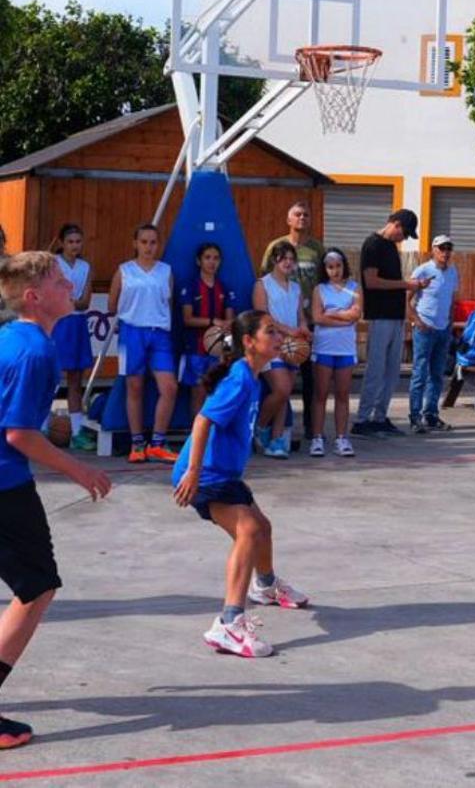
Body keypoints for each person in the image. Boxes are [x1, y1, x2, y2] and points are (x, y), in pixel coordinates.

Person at [0, 252, 111, 748]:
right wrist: (80, 469)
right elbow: (20, 434)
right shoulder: (36, 353)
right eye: (59, 280)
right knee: (37, 587)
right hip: (4, 485)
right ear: (34, 296)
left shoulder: (11, 337)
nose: (71, 285)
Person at [172, 310, 309, 659]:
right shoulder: (238, 379)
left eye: (279, 331)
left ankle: (265, 586)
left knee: (262, 527)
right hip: (206, 475)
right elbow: (202, 421)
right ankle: (229, 623)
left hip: (224, 474)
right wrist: (192, 472)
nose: (278, 338)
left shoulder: (250, 376)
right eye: (270, 332)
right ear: (250, 342)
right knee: (248, 529)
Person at [352, 209, 429, 438]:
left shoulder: (390, 248)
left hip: (395, 315)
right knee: (376, 369)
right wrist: (407, 285)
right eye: (404, 233)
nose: (403, 238)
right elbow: (371, 281)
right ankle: (363, 419)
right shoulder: (373, 245)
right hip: (380, 314)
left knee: (392, 371)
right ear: (395, 224)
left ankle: (379, 416)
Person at [108, 223, 178, 464]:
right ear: (135, 244)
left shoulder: (165, 271)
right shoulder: (124, 271)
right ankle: (137, 443)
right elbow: (112, 305)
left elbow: (167, 305)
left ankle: (157, 443)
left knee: (169, 387)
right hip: (131, 332)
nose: (149, 247)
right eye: (144, 242)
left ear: (158, 245)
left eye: (153, 242)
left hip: (159, 333)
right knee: (134, 387)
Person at [260, 201, 324, 440]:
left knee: (309, 377)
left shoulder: (317, 249)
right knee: (281, 383)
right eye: (297, 214)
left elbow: (323, 282)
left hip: (305, 321)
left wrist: (308, 322)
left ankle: (309, 427)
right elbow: (264, 275)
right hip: (279, 327)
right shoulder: (275, 247)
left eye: (306, 214)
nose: (302, 218)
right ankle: (267, 428)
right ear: (289, 219)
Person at [252, 241, 310, 458]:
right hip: (269, 345)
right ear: (275, 260)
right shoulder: (262, 284)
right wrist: (290, 331)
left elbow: (301, 317)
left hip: (292, 346)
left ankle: (276, 441)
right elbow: (262, 317)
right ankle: (260, 426)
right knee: (283, 388)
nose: (288, 262)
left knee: (284, 394)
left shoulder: (296, 287)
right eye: (283, 258)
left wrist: (303, 329)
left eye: (291, 259)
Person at [309, 248, 362, 457]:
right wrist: (343, 316)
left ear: (344, 266)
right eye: (330, 267)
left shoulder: (354, 288)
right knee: (320, 394)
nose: (335, 271)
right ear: (325, 269)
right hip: (324, 347)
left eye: (338, 266)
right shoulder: (319, 290)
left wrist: (332, 313)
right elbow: (317, 317)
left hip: (346, 348)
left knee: (342, 394)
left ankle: (342, 438)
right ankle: (317, 437)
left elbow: (356, 314)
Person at [408, 235, 460, 433]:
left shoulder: (453, 272)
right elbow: (407, 298)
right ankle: (415, 416)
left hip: (443, 328)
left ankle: (431, 414)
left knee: (437, 374)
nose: (445, 252)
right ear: (433, 250)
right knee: (419, 373)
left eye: (448, 248)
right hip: (425, 328)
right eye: (441, 248)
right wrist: (416, 321)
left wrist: (450, 322)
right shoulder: (423, 270)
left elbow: (452, 299)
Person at [51, 224, 95, 450]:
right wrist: (67, 302)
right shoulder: (52, 264)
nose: (75, 245)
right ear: (61, 243)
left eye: (78, 241)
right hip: (58, 323)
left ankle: (77, 430)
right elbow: (52, 297)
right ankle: (40, 426)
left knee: (75, 379)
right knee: (51, 376)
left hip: (77, 322)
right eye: (70, 242)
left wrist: (67, 302)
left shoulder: (86, 266)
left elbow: (85, 302)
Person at [179, 243, 236, 417]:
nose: (212, 262)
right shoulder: (190, 286)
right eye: (207, 258)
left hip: (217, 351)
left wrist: (227, 352)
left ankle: (212, 436)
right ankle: (196, 437)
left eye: (216, 258)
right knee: (198, 393)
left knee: (217, 393)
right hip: (196, 349)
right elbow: (187, 319)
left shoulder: (224, 288)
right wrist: (212, 322)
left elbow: (229, 323)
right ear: (199, 261)